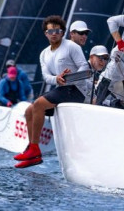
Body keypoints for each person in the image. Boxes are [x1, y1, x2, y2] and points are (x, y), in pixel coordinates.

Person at [13, 15, 88, 168]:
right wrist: (57, 79)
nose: (54, 33)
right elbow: (47, 76)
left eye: (57, 31)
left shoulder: (72, 47)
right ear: (45, 34)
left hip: (77, 90)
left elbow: (84, 67)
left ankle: (34, 149)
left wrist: (69, 78)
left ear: (63, 32)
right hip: (61, 88)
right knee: (29, 111)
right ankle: (33, 151)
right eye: (50, 31)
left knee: (39, 104)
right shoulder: (44, 54)